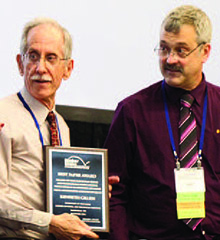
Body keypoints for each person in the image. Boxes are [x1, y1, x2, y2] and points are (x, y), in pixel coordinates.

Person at [104, 5, 220, 240]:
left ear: (205, 52)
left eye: (181, 50)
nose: (170, 59)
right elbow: (114, 193)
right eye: (164, 48)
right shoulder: (132, 111)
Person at [0, 18, 119, 240]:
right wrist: (49, 223)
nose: (40, 67)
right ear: (19, 63)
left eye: (51, 58)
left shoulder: (60, 125)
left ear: (68, 68)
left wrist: (93, 193)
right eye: (33, 56)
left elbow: (60, 195)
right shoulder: (2, 116)